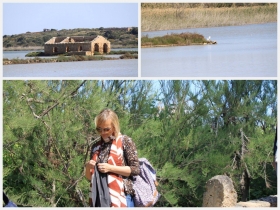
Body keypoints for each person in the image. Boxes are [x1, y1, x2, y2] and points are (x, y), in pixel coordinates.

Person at [85, 108, 140, 207]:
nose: (102, 132)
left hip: (123, 196)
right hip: (99, 197)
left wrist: (110, 168)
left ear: (114, 127)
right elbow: (89, 178)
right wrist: (89, 167)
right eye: (99, 129)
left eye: (106, 129)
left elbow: (135, 169)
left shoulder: (125, 141)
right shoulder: (96, 147)